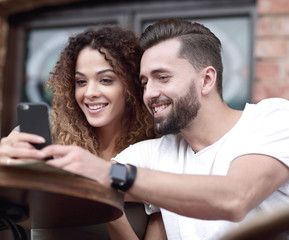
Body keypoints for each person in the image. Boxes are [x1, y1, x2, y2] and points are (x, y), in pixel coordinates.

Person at [33, 18, 289, 240]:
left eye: (162, 77)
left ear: (207, 79)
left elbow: (235, 198)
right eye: (145, 82)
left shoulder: (271, 118)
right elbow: (74, 182)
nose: (150, 94)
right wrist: (15, 150)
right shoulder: (153, 154)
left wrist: (115, 175)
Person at [0, 26, 166, 239]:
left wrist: (102, 199)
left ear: (132, 84)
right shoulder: (51, 132)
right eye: (81, 82)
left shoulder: (158, 153)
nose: (90, 93)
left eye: (105, 80)